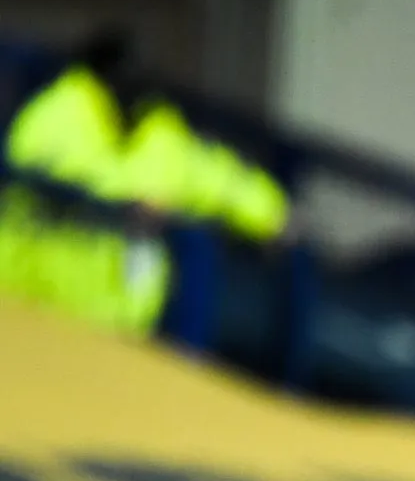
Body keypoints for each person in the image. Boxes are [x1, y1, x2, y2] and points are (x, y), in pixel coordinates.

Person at [0, 26, 289, 335]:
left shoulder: (158, 129)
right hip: (34, 306)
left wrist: (273, 214)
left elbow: (212, 175)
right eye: (124, 70)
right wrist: (133, 204)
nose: (134, 81)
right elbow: (52, 170)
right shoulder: (57, 108)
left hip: (122, 327)